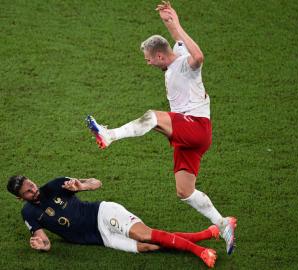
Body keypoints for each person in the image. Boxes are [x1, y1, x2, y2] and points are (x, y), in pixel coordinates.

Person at [85, 1, 237, 255]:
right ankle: (223, 224)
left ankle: (109, 135)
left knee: (154, 117)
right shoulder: (175, 52)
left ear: (159, 56)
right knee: (184, 191)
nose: (147, 64)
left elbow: (198, 57)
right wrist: (170, 18)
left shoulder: (186, 64)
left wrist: (176, 24)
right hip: (189, 136)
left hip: (196, 126)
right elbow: (176, 38)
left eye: (148, 60)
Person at [6, 175, 219, 268]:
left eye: (32, 185)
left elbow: (96, 182)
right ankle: (205, 234)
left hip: (103, 213)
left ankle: (199, 251)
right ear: (19, 197)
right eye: (28, 191)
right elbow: (45, 241)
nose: (34, 191)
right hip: (100, 238)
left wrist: (82, 186)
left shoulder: (54, 186)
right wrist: (41, 246)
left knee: (142, 234)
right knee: (148, 245)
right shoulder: (29, 213)